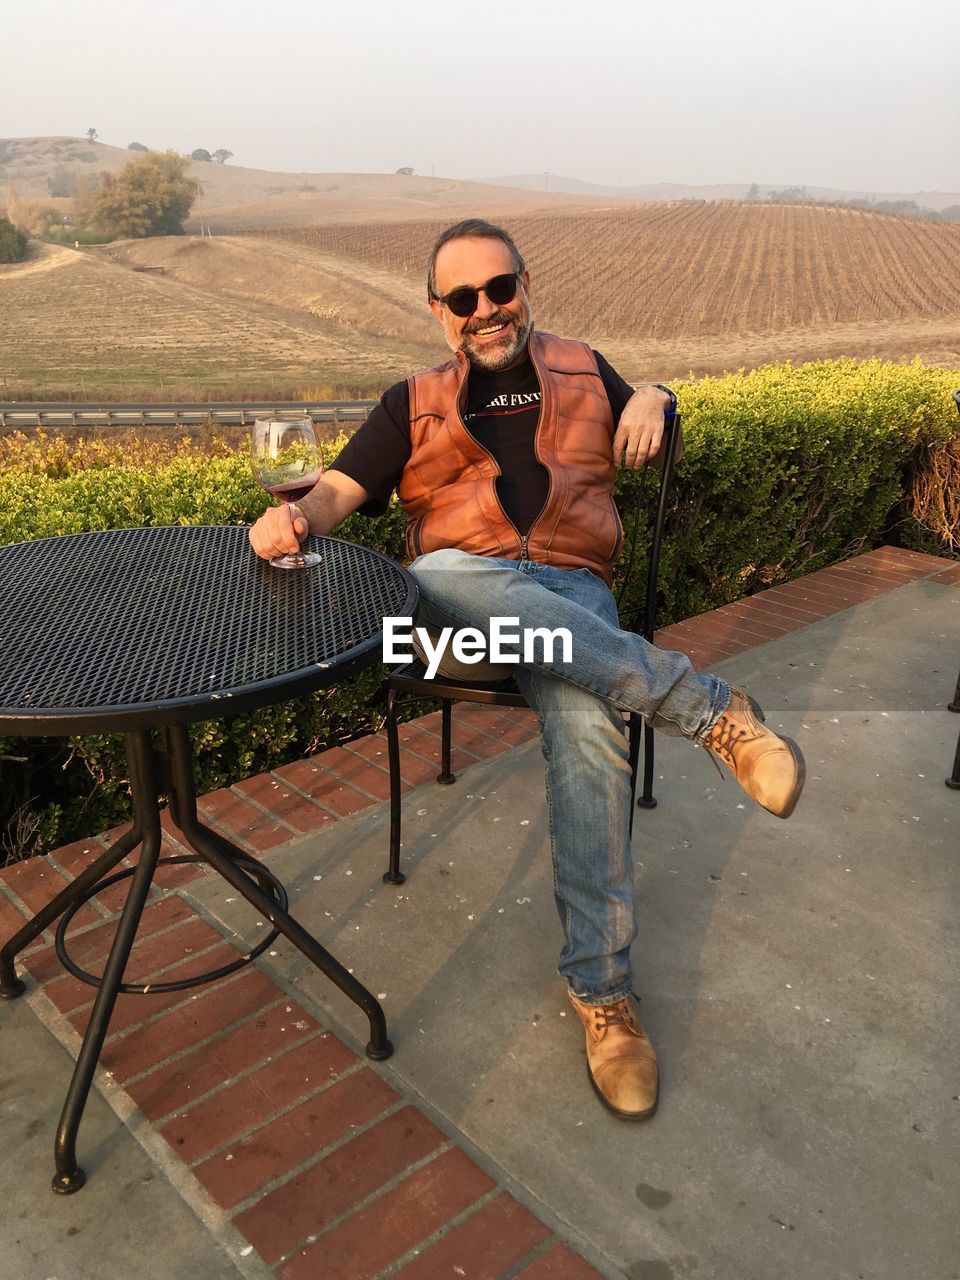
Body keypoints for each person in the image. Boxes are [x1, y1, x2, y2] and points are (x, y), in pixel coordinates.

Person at [249, 219, 805, 1121]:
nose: (486, 311)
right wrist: (297, 517)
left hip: (571, 603)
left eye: (498, 289)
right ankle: (708, 712)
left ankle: (604, 996)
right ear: (439, 313)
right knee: (433, 570)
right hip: (454, 618)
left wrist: (655, 393)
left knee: (589, 720)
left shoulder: (586, 368)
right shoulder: (413, 399)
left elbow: (650, 407)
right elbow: (344, 489)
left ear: (524, 284)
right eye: (462, 299)